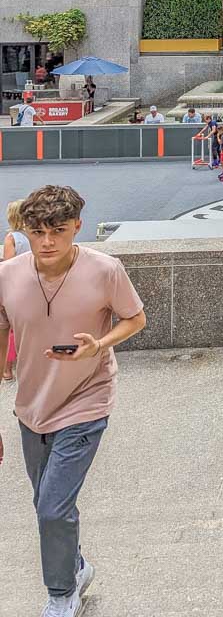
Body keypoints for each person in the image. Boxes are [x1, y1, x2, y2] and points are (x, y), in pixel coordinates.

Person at [0, 185, 146, 614]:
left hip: (86, 401)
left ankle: (62, 593)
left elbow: (135, 319)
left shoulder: (105, 269)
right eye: (37, 231)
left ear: (77, 228)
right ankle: (76, 565)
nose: (46, 242)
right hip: (32, 406)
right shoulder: (7, 274)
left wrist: (100, 344)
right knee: (47, 503)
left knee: (51, 506)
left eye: (57, 231)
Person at [2, 199, 28, 382]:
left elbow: (9, 265)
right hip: (32, 286)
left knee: (8, 329)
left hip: (15, 287)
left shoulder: (12, 238)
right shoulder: (34, 235)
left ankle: (7, 370)